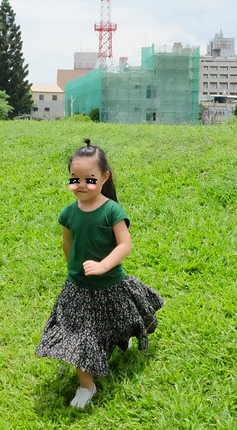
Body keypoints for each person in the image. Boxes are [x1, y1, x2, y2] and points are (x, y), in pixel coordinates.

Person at [36, 138, 164, 409]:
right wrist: (73, 270)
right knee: (77, 336)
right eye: (75, 179)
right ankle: (86, 385)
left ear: (104, 177)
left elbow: (125, 244)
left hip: (111, 284)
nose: (81, 185)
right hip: (78, 288)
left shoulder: (112, 211)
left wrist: (104, 266)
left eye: (89, 179)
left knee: (118, 321)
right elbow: (67, 243)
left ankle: (121, 339)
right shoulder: (68, 213)